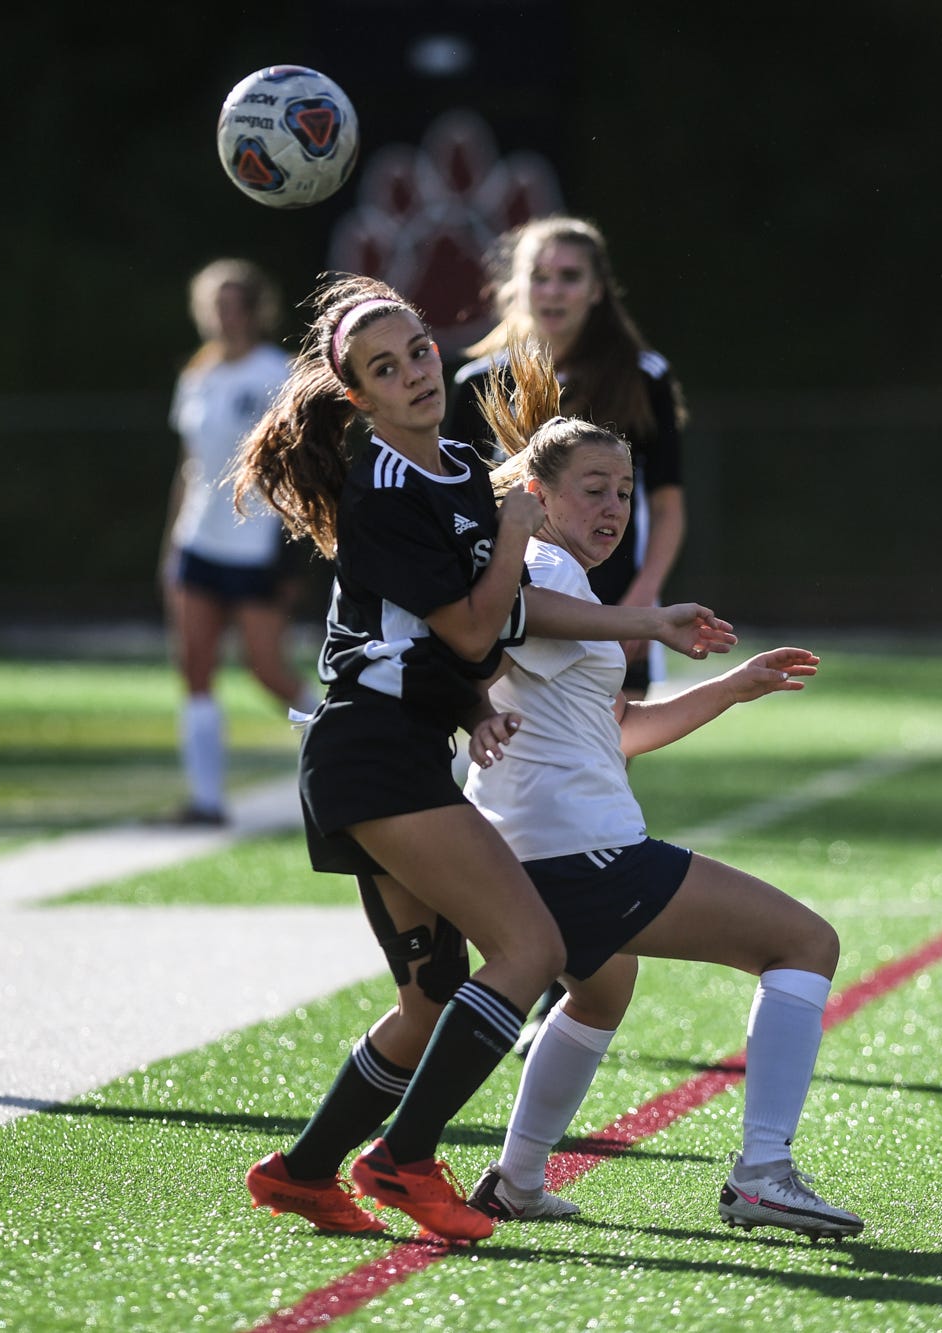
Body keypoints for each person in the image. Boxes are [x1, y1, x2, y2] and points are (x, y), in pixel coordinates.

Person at [229, 275, 736, 1243]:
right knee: (532, 948)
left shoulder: (458, 464)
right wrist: (512, 539)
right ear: (359, 397)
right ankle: (404, 1159)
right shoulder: (383, 483)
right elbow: (470, 625)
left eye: (418, 349)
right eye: (385, 367)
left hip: (393, 748)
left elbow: (449, 630)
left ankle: (298, 1171)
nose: (416, 373)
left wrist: (473, 704)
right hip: (369, 756)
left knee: (426, 999)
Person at [451, 351, 862, 1241]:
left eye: (624, 492)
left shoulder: (570, 582)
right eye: (593, 488)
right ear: (540, 494)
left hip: (533, 846)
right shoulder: (544, 573)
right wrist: (647, 620)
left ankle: (516, 1181)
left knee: (602, 992)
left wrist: (732, 687)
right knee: (805, 942)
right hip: (577, 849)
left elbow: (621, 728)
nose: (612, 508)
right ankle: (763, 1173)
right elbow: (512, 610)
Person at [448, 214, 689, 1047]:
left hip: (620, 616)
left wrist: (645, 606)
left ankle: (564, 958)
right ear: (518, 285)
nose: (553, 291)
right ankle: (525, 954)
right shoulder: (479, 377)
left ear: (597, 289)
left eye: (570, 277)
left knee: (604, 755)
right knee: (509, 762)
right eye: (540, 275)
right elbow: (466, 511)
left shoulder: (638, 374)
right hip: (521, 610)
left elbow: (667, 501)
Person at [160, 259, 315, 825]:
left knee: (268, 669)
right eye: (214, 306)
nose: (223, 317)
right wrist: (171, 548)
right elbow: (189, 468)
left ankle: (343, 747)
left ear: (254, 310)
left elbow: (303, 465)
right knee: (195, 667)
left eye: (233, 305)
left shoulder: (277, 373)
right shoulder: (197, 377)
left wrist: (295, 547)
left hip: (258, 542)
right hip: (200, 540)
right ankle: (206, 800)